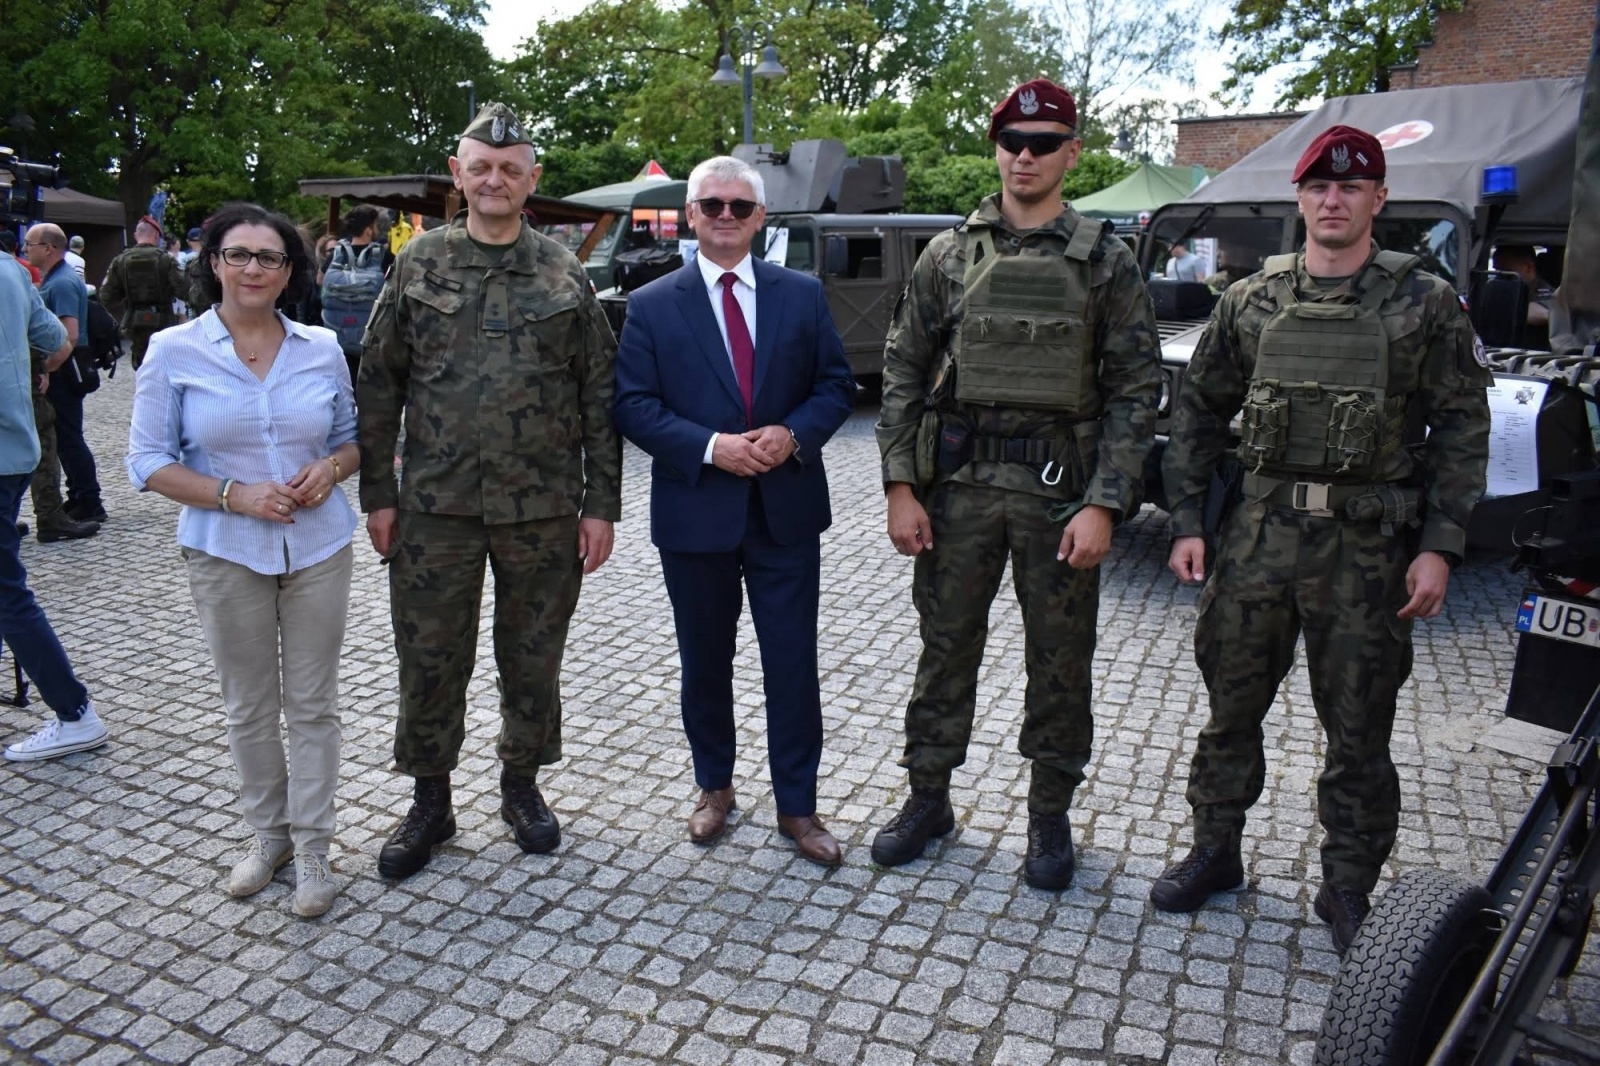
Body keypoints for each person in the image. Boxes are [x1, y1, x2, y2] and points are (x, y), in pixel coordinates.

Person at [1151, 125, 1492, 953]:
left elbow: (1461, 424)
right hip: (1261, 536)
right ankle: (1216, 851)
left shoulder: (1424, 302)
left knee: (1359, 727)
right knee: (1230, 709)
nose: (1333, 200)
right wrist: (1190, 521)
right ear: (1300, 199)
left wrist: (1440, 546)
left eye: (1352, 187)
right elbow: (1196, 412)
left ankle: (1347, 886)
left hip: (1367, 547)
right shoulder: (1250, 300)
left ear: (1379, 199)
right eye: (1318, 187)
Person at [871, 78, 1161, 889]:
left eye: (1043, 142)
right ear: (995, 148)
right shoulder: (949, 253)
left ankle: (1049, 818)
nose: (1024, 155)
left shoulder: (1106, 259)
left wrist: (1106, 501)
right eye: (1012, 141)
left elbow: (1137, 390)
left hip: (1060, 492)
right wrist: (902, 485)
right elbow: (902, 368)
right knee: (944, 648)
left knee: (1061, 660)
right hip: (959, 487)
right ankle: (928, 797)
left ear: (1072, 151)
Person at [358, 102, 622, 880]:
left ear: (532, 179)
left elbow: (598, 396)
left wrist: (600, 503)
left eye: (511, 168)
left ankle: (521, 785)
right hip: (435, 508)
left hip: (541, 510)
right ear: (458, 175)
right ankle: (430, 801)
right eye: (481, 167)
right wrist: (379, 492)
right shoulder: (417, 264)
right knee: (430, 657)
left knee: (533, 657)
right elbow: (379, 383)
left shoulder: (563, 271)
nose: (496, 179)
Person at [614, 156, 856, 867]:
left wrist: (794, 434)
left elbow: (835, 386)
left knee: (791, 663)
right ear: (690, 215)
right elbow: (632, 404)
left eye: (739, 207)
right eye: (711, 205)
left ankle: (799, 806)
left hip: (785, 512)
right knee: (704, 662)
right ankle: (713, 787)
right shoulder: (653, 304)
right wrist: (712, 447)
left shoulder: (802, 295)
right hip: (697, 513)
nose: (725, 217)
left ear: (760, 218)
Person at [126, 202, 359, 918]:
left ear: (291, 271)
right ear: (213, 263)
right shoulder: (174, 350)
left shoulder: (320, 347)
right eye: (240, 254)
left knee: (313, 705)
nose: (254, 268)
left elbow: (354, 439)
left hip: (318, 546)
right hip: (225, 551)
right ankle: (270, 837)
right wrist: (233, 494)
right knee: (249, 706)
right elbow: (145, 462)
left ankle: (314, 846)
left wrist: (331, 470)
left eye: (270, 257)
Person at [0, 246, 109, 763]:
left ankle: (73, 710)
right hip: (15, 447)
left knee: (6, 592)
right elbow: (53, 339)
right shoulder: (12, 273)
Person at [26, 224, 106, 526]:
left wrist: (46, 369)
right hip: (63, 368)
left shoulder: (60, 283)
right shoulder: (56, 278)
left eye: (30, 244)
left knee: (69, 438)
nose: (25, 249)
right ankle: (80, 496)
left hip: (63, 371)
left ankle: (89, 500)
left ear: (49, 247)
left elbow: (68, 336)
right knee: (65, 438)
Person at [100, 215, 185, 369]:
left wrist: (124, 313)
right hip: (164, 320)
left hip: (135, 322)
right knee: (166, 363)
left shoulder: (120, 261)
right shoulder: (167, 260)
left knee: (141, 363)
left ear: (135, 235)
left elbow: (106, 296)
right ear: (156, 235)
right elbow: (184, 291)